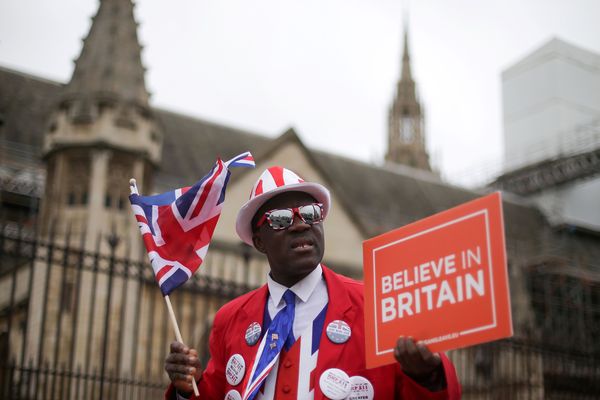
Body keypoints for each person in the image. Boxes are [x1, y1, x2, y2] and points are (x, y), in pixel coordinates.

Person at [164, 166, 461, 399]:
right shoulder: (230, 320)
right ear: (258, 242)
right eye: (280, 219)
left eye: (310, 213)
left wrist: (428, 376)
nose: (301, 224)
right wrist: (187, 390)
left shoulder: (377, 305)